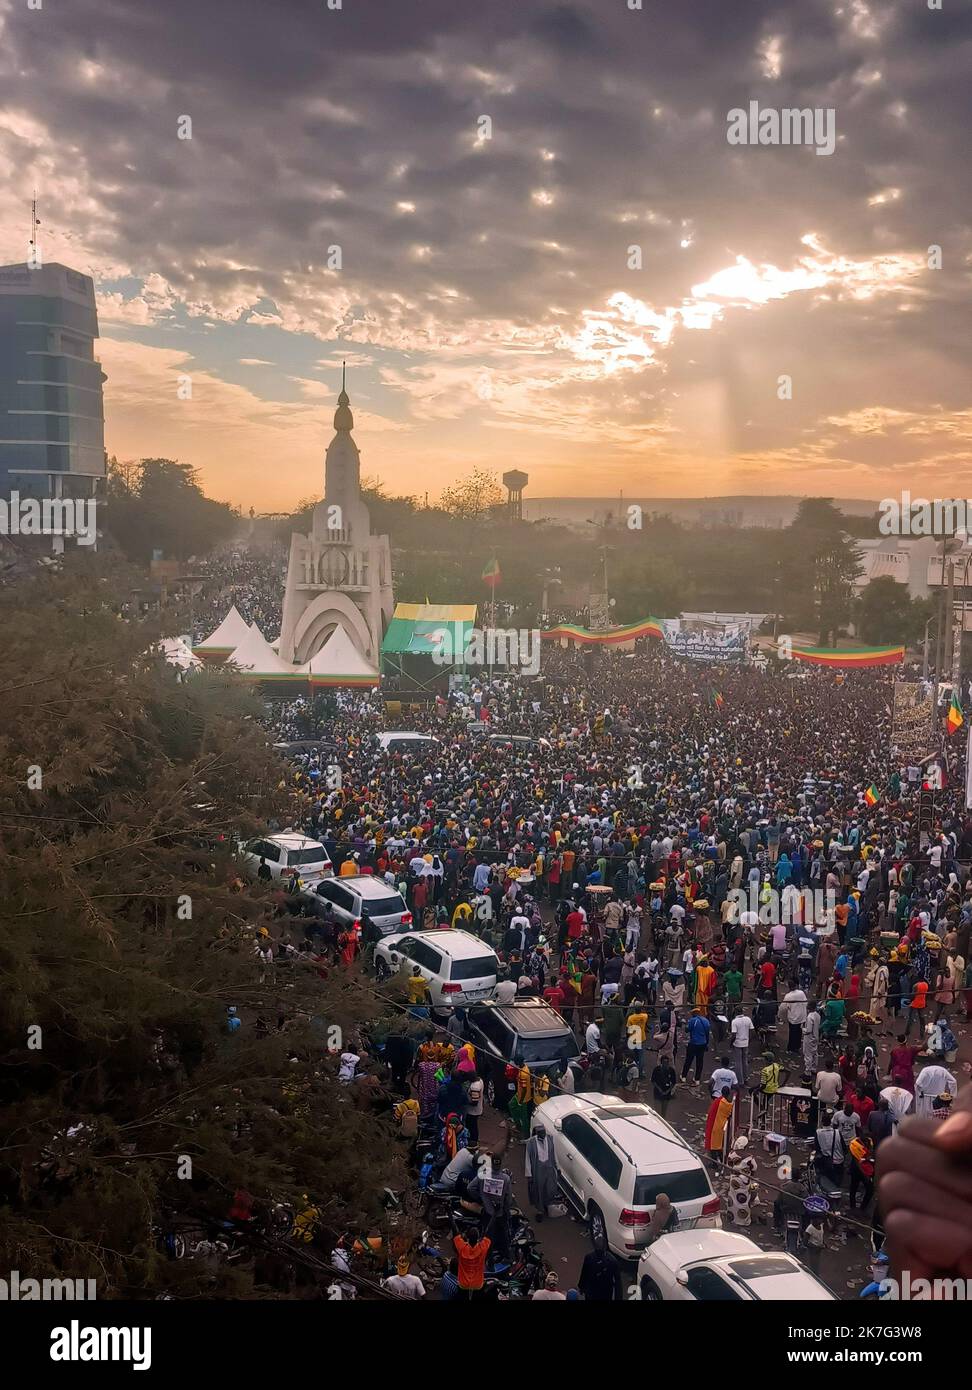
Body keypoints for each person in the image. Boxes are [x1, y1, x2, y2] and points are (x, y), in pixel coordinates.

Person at [525, 1123, 560, 1222]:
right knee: (538, 1190)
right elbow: (527, 1159)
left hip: (549, 1168)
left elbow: (554, 1154)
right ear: (537, 1133)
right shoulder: (531, 1143)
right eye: (541, 1133)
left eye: (544, 1132)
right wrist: (529, 1174)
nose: (543, 1134)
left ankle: (547, 1205)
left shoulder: (550, 1139)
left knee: (549, 1189)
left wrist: (557, 1167)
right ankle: (540, 1211)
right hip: (537, 1170)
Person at [681, 1007, 711, 1084]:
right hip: (703, 1044)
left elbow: (687, 1030)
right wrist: (706, 1044)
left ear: (694, 1013)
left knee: (688, 1060)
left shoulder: (692, 1020)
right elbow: (707, 1034)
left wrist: (685, 1025)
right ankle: (697, 1079)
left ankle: (684, 1076)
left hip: (693, 1043)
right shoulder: (706, 1021)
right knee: (699, 1062)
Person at [705, 1086, 734, 1165]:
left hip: (714, 1126)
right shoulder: (726, 1103)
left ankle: (715, 1163)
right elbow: (730, 1112)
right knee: (717, 1146)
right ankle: (722, 1160)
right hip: (719, 1125)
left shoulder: (718, 1101)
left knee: (713, 1146)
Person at [729, 1008, 754, 1087]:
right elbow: (752, 1031)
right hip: (745, 1043)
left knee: (738, 1063)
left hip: (737, 1044)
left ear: (735, 1013)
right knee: (745, 1062)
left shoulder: (734, 1021)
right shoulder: (748, 1019)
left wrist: (731, 1043)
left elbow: (734, 1035)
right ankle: (746, 1078)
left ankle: (740, 1081)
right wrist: (749, 1040)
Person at [650, 1054, 677, 1119]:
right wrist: (659, 1090)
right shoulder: (656, 1070)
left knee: (664, 1111)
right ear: (661, 1062)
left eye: (667, 1062)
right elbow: (653, 1081)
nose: (666, 1064)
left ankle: (663, 1122)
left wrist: (667, 1091)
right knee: (657, 1111)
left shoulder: (671, 1070)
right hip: (657, 1093)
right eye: (664, 1062)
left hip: (667, 1094)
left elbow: (673, 1082)